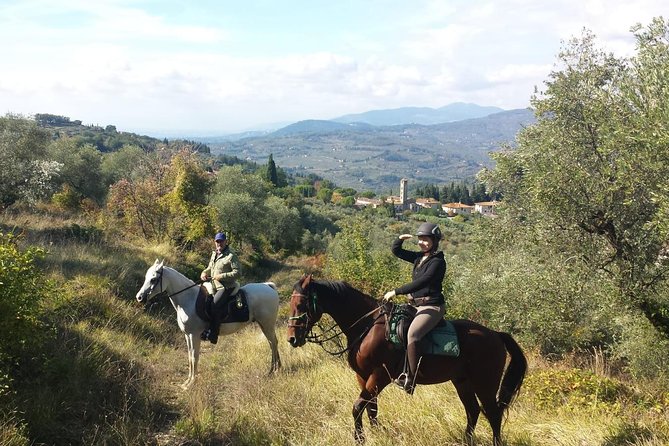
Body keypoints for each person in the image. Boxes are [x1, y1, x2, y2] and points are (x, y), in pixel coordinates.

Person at [383, 222, 446, 394]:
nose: (422, 243)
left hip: (432, 307)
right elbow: (397, 252)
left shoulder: (438, 262)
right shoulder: (420, 258)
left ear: (435, 240)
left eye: (426, 239)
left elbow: (423, 281)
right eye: (420, 239)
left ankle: (411, 378)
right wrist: (399, 240)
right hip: (415, 305)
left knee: (413, 333)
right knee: (395, 325)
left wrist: (396, 291)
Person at [200, 232, 241, 344]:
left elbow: (238, 272)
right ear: (215, 242)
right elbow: (210, 268)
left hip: (226, 286)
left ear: (225, 242)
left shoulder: (231, 256)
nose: (219, 243)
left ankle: (213, 334)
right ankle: (205, 328)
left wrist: (221, 276)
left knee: (215, 305)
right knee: (205, 302)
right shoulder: (215, 254)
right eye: (217, 241)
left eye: (221, 241)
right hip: (214, 285)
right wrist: (204, 272)